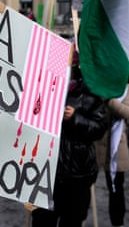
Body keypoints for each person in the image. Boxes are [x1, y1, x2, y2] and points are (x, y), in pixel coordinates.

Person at [31, 48, 108, 227]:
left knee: (72, 220)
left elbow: (99, 128)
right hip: (47, 172)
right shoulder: (46, 86)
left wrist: (75, 118)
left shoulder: (91, 92)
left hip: (77, 173)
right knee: (43, 220)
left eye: (71, 67)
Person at [96, 85, 129, 227]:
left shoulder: (126, 89)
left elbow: (127, 113)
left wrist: (110, 100)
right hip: (96, 143)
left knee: (115, 188)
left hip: (116, 149)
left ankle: (117, 223)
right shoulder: (98, 84)